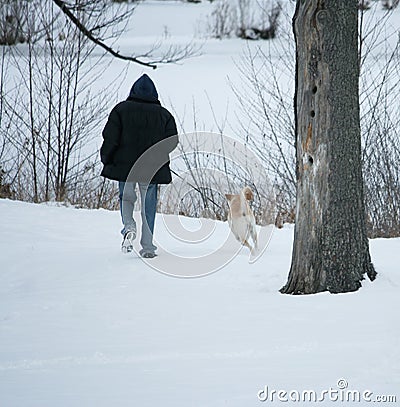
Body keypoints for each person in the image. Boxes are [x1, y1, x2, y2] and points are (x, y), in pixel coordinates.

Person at [100, 74, 178, 258]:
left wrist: (107, 158)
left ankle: (128, 227)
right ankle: (148, 247)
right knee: (148, 206)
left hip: (125, 167)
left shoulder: (120, 110)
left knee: (126, 198)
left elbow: (110, 138)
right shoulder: (164, 115)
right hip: (150, 169)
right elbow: (171, 141)